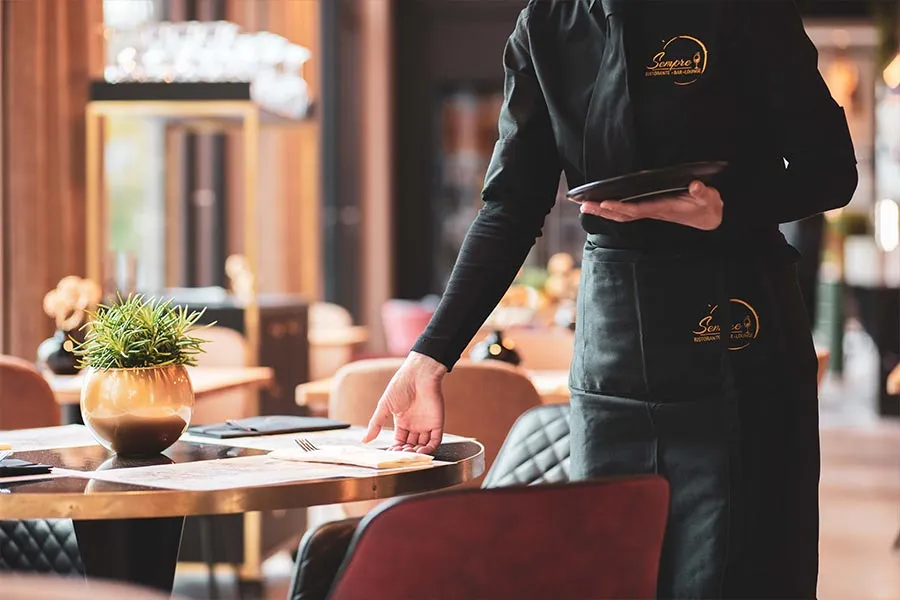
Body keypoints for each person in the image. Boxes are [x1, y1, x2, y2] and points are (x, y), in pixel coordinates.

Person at [363, 1, 858, 598]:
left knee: (738, 574)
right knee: (607, 569)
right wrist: (429, 357)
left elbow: (832, 170)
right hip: (614, 356)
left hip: (738, 334)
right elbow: (510, 207)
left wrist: (728, 207)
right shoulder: (544, 26)